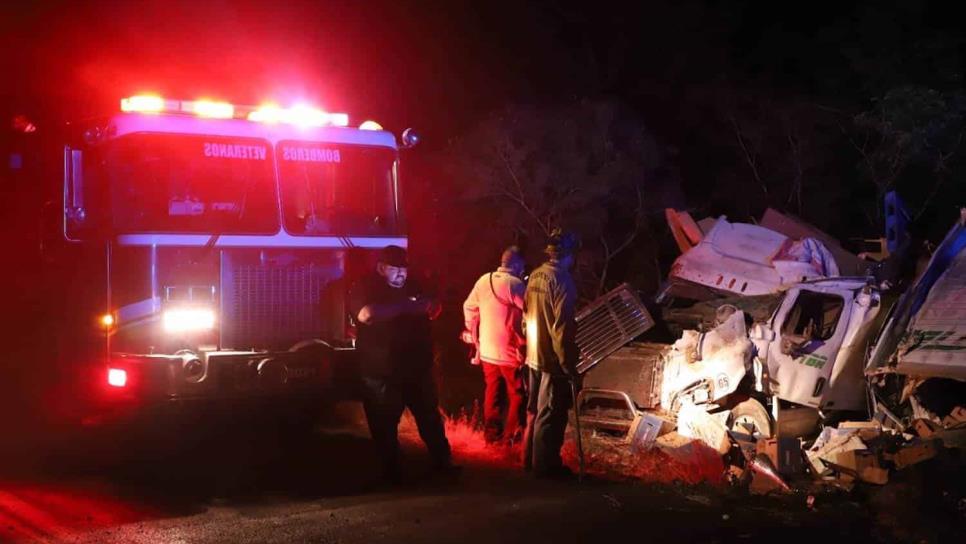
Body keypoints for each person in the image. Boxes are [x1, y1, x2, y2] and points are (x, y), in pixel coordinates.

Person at [349, 245, 456, 484]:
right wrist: (407, 306)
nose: (401, 274)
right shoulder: (365, 287)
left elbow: (431, 307)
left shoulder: (414, 285)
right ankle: (392, 472)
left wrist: (432, 306)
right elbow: (367, 314)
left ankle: (443, 462)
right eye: (395, 269)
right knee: (384, 424)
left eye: (404, 269)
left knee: (429, 418)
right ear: (381, 268)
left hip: (416, 368)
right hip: (382, 371)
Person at [522, 229, 581, 480]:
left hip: (532, 355)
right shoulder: (563, 281)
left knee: (536, 411)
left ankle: (530, 460)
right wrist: (568, 365)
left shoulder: (535, 275)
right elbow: (562, 329)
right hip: (550, 359)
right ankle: (546, 468)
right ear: (568, 255)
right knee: (551, 414)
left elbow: (525, 317)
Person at [462, 246, 527, 445]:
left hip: (487, 350)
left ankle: (491, 436)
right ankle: (511, 438)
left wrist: (473, 332)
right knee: (517, 394)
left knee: (492, 391)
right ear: (516, 265)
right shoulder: (515, 284)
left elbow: (468, 306)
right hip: (509, 352)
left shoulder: (484, 280)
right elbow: (531, 310)